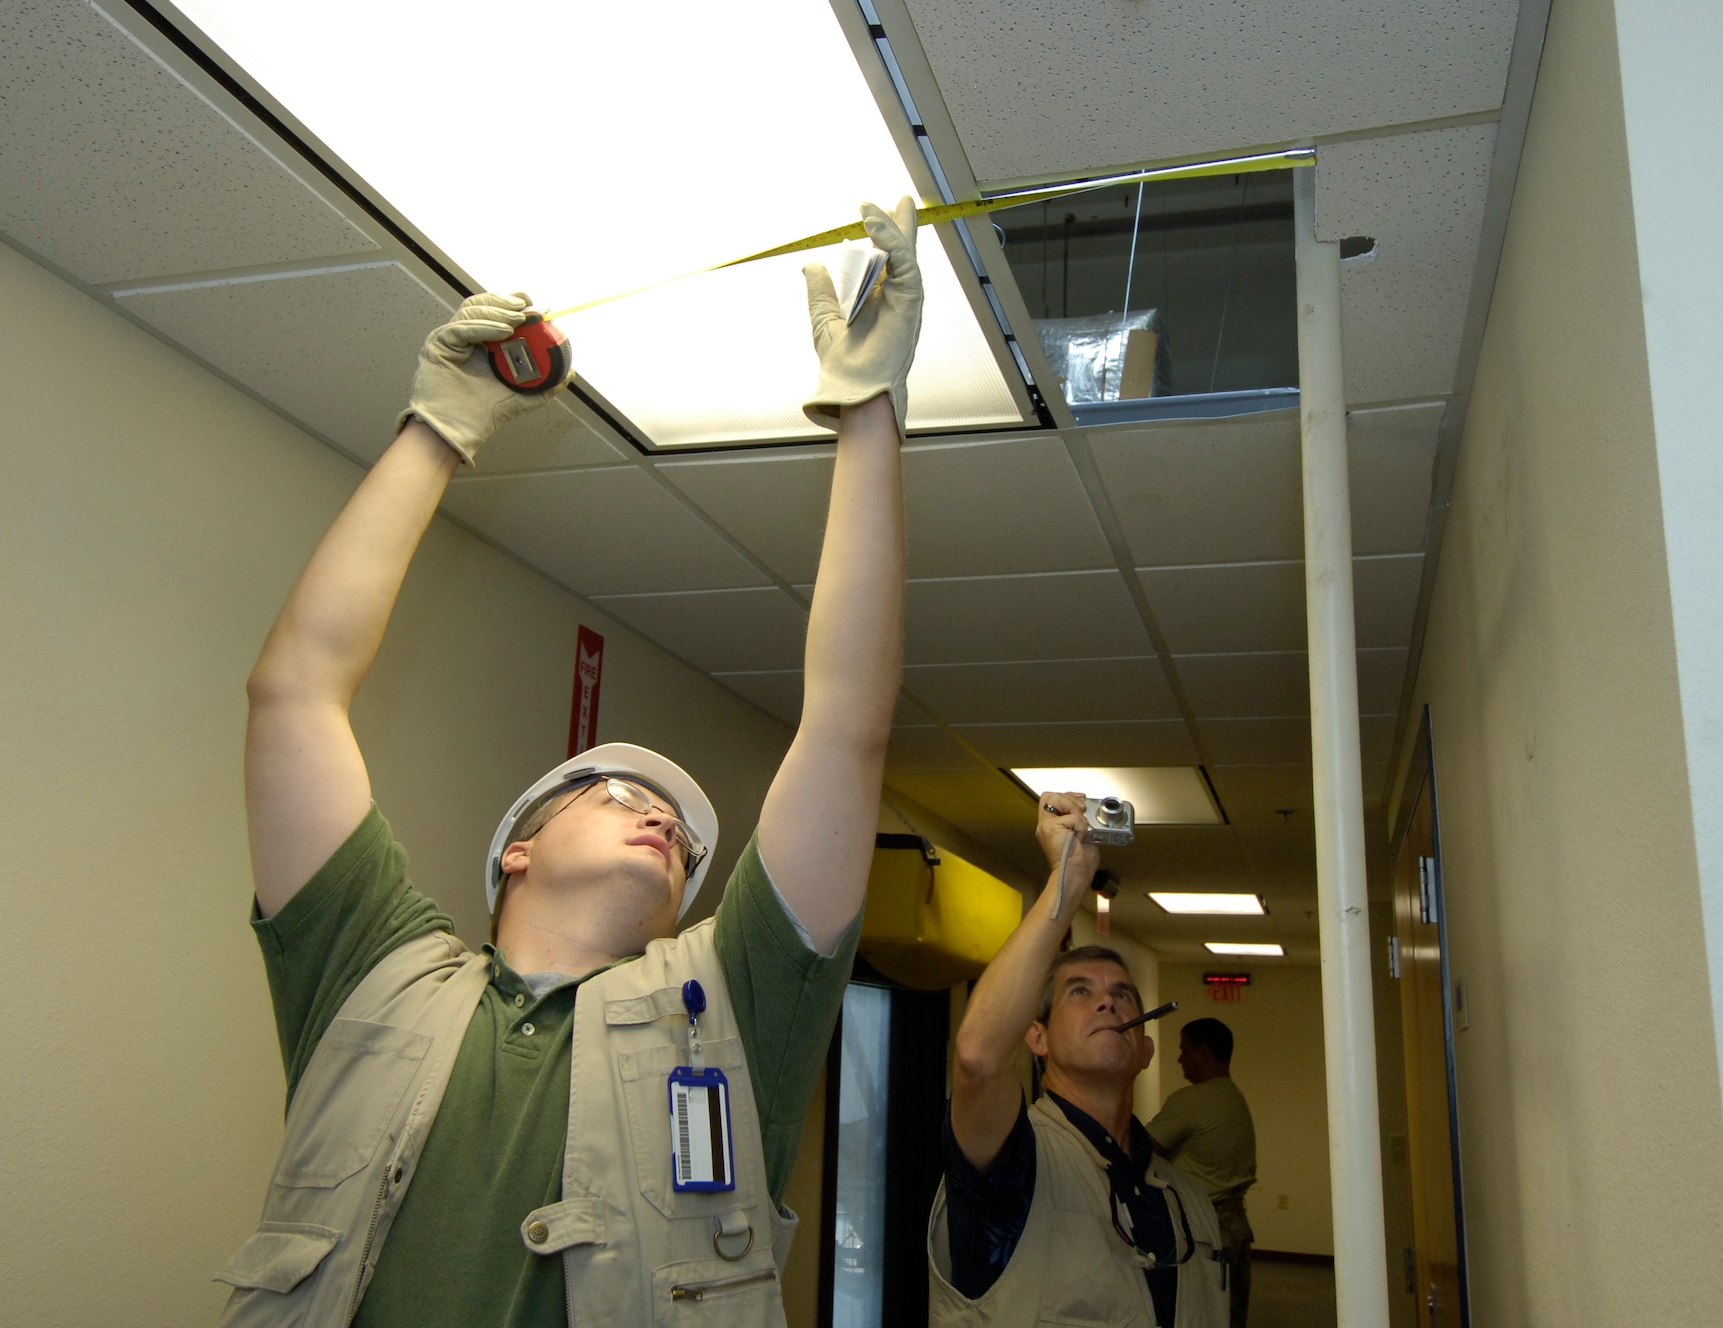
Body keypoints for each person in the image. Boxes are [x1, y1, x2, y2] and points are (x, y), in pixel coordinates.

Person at [215, 198, 924, 1328]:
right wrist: (439, 424)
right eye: (619, 791)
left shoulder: (733, 1009)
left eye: (682, 834)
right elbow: (293, 694)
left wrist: (870, 415)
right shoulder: (370, 964)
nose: (662, 820)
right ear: (519, 848)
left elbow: (844, 724)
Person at [929, 793, 1225, 1327]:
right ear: (1036, 1037)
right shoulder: (1013, 1160)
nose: (1108, 1001)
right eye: (1080, 993)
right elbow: (977, 1057)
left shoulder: (1189, 1201)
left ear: (1146, 1049)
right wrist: (1065, 886)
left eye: (1123, 995)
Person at [1149, 1019, 1258, 1328]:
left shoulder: (1191, 1101)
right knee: (1230, 1316)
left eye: (1184, 1050)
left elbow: (1142, 1150)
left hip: (1204, 1229)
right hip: (1235, 1226)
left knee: (1198, 1314)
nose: (1179, 1059)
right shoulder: (1234, 1097)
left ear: (1204, 1054)